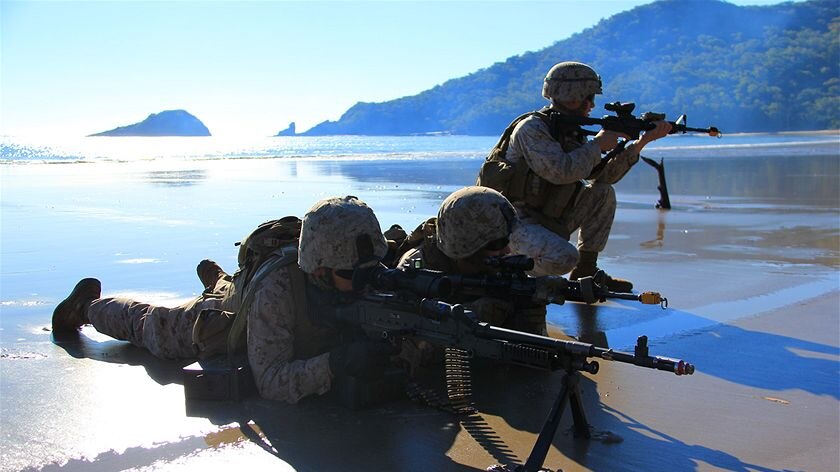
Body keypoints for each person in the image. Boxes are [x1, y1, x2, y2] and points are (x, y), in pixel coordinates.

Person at [51, 195, 395, 404]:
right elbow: (272, 381)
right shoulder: (278, 291)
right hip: (231, 316)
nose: (366, 281)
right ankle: (85, 307)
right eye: (352, 274)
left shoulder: (354, 269)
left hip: (252, 291)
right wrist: (335, 364)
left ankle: (218, 279)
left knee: (229, 287)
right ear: (319, 269)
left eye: (373, 269)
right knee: (156, 329)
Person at [495, 61, 672, 291]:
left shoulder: (570, 130)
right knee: (565, 258)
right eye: (587, 97)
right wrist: (598, 145)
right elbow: (559, 172)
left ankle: (586, 270)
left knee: (602, 192)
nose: (591, 104)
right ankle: (504, 272)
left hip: (546, 217)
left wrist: (640, 143)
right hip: (513, 223)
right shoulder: (532, 129)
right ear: (571, 96)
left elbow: (604, 177)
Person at [398, 186, 549, 336]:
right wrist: (466, 316)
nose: (507, 251)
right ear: (465, 246)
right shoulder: (417, 270)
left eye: (507, 240)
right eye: (496, 243)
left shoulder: (502, 274)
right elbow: (401, 338)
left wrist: (529, 318)